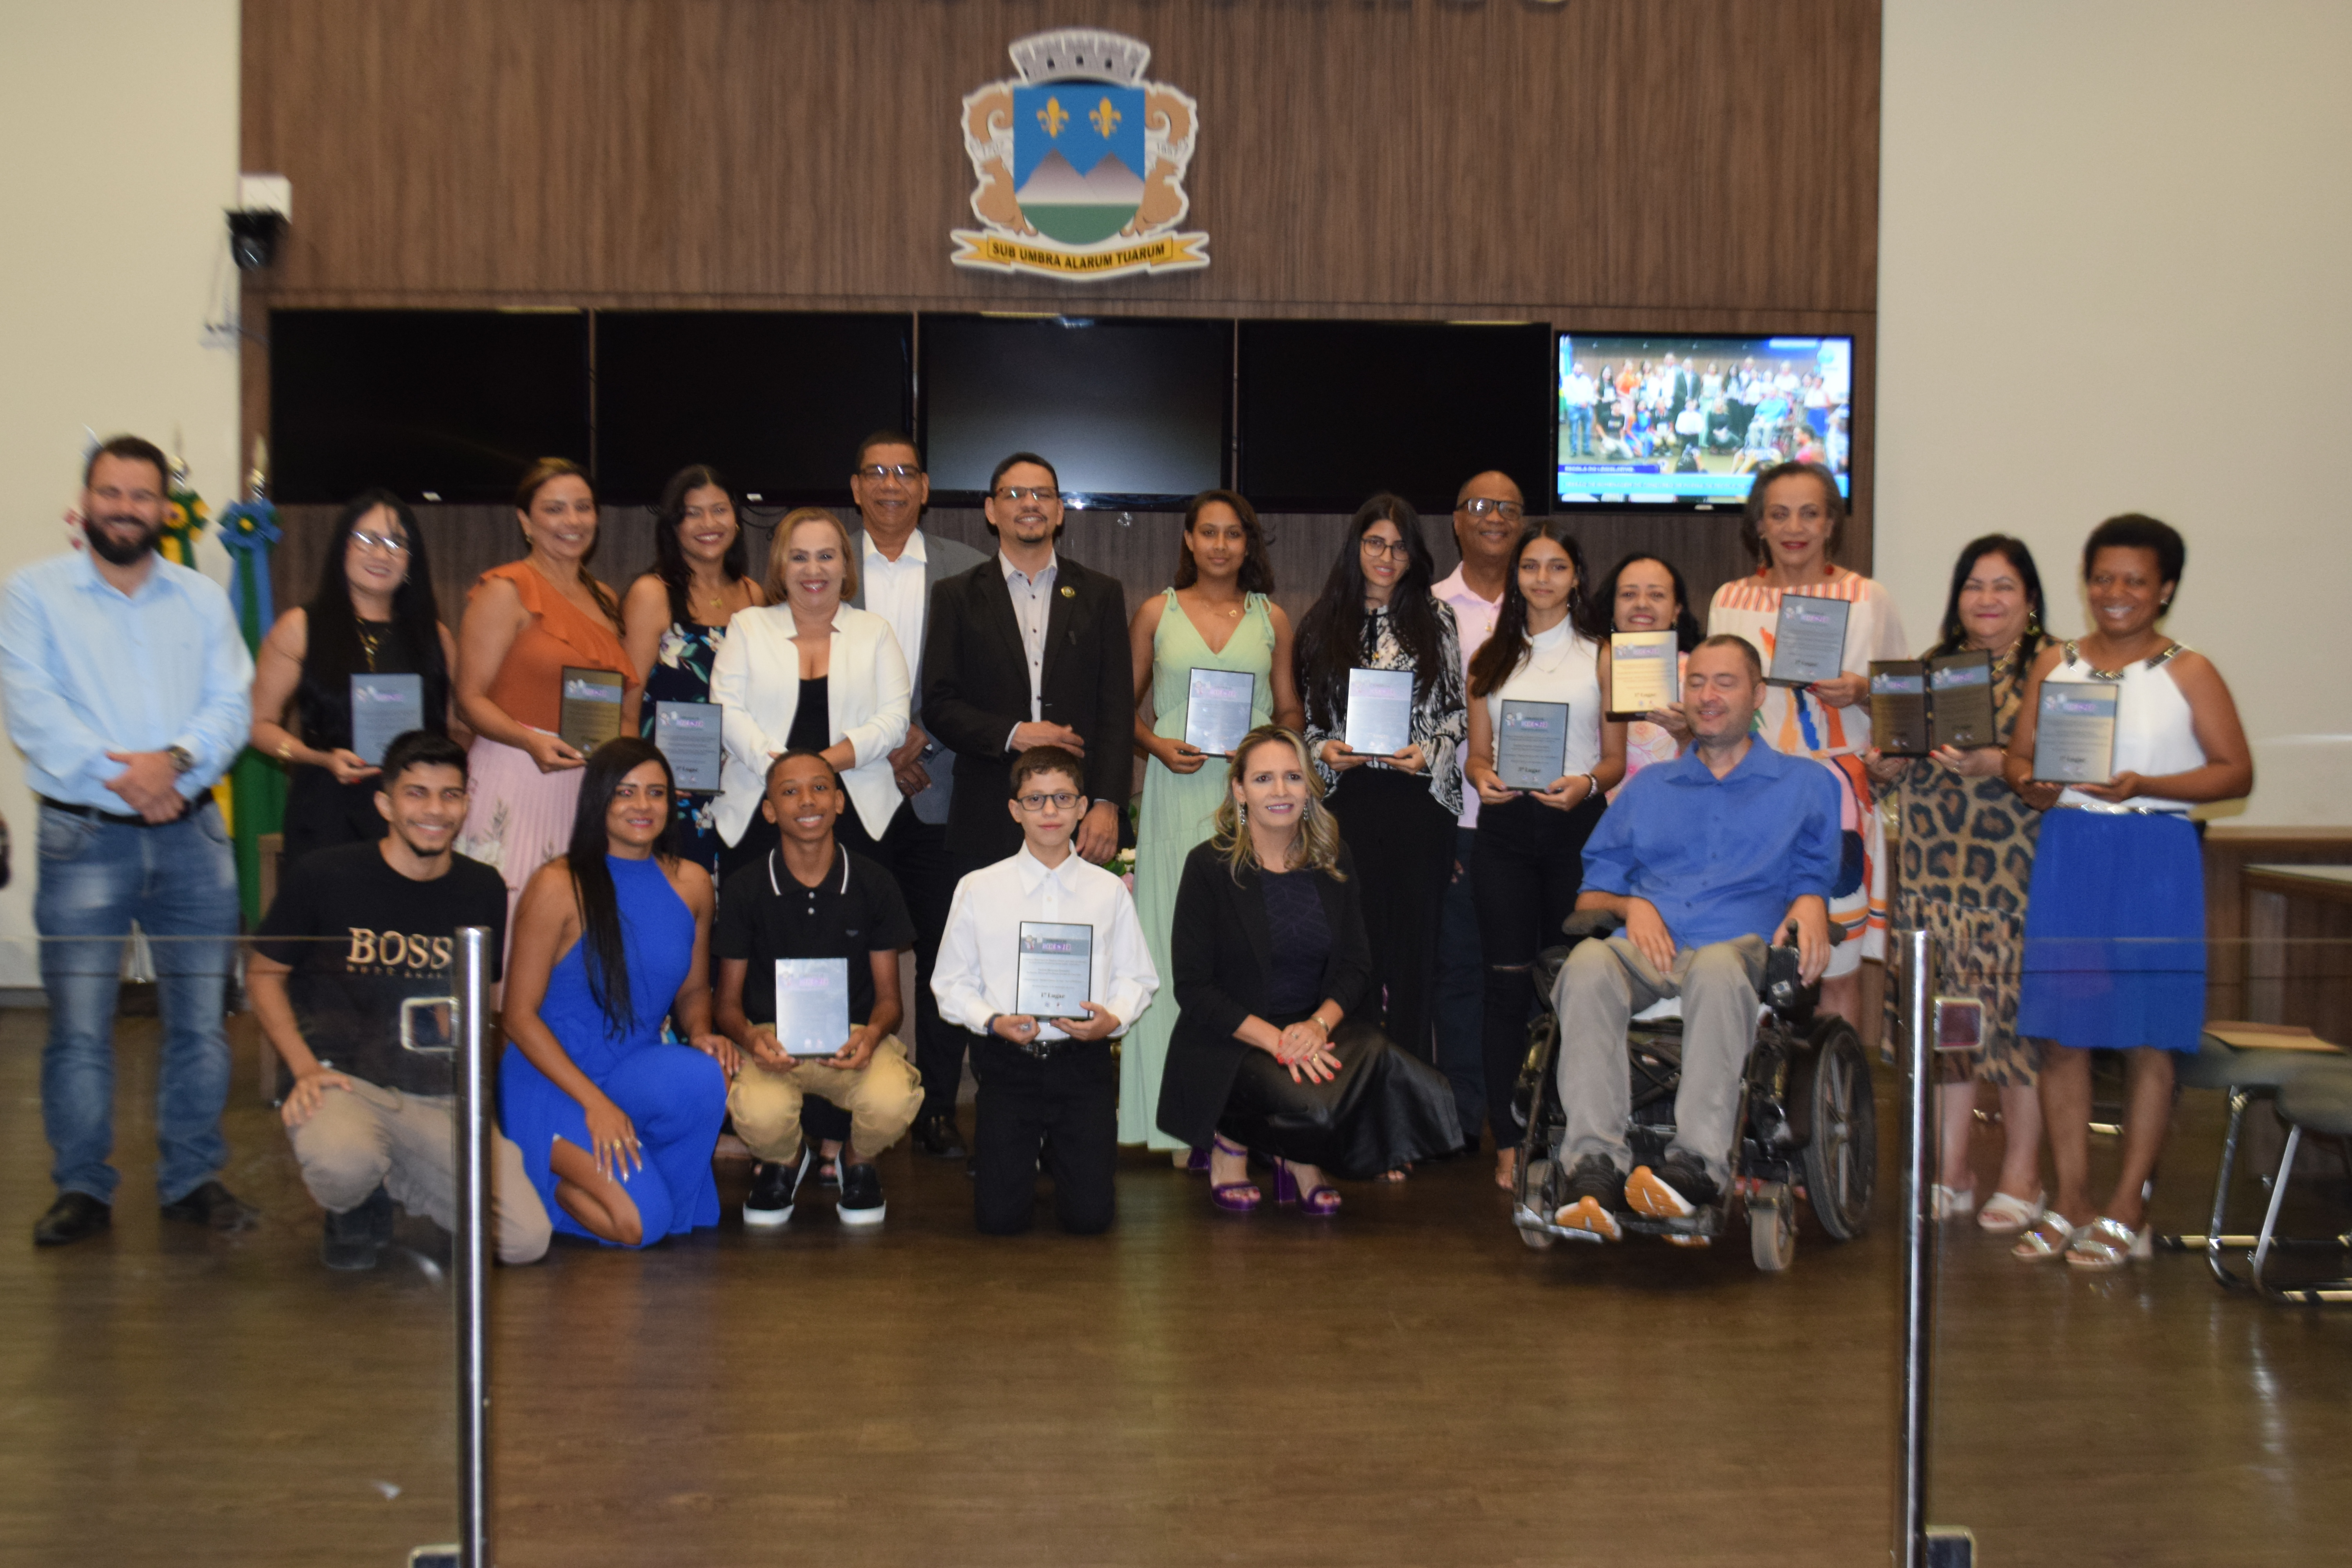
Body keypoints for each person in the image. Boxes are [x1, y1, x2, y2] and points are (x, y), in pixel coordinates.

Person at [0, 435, 257, 1246]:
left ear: (164, 508)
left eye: (142, 496)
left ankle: (191, 1177)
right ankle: (83, 1186)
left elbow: (231, 706)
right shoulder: (32, 595)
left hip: (193, 839)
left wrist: (174, 765)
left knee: (201, 1024)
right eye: (111, 493)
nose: (125, 508)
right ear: (86, 503)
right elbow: (35, 713)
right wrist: (135, 779)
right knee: (79, 1027)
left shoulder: (200, 598)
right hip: (85, 839)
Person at [2002, 515, 2252, 1270]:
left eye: (2135, 580)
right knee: (2063, 1035)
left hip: (2156, 854)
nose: (2116, 594)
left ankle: (2127, 1207)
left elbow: (2234, 773)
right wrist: (2035, 785)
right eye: (2104, 577)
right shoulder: (2056, 664)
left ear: (2165, 588)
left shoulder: (2188, 671)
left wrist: (2147, 785)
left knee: (2151, 1037)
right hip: (2072, 850)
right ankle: (2070, 1200)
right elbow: (2020, 760)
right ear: (2087, 582)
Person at [1546, 635, 1839, 1240]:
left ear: (1757, 694)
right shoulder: (1649, 790)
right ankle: (1594, 1166)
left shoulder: (1806, 785)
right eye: (1698, 683)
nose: (1708, 696)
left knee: (1714, 966)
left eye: (1725, 683)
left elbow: (1817, 876)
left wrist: (1810, 899)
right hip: (1650, 950)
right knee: (1587, 964)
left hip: (1740, 952)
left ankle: (1698, 1165)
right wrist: (1634, 904)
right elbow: (1589, 897)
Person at [247, 731, 550, 1268]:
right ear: (385, 803)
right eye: (416, 794)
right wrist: (303, 1068)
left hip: (439, 1098)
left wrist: (485, 1113)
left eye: (450, 795)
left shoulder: (483, 889)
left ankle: (393, 1174)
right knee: (341, 1162)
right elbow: (264, 973)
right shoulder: (325, 875)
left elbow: (481, 1007)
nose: (434, 810)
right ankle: (357, 1196)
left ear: (466, 804)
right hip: (346, 1084)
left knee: (526, 1241)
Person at [1157, 727, 1463, 1215]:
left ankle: (1294, 1152)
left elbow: (1357, 965)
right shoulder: (1208, 867)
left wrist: (1317, 1026)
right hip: (1236, 1042)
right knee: (1313, 1105)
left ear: (1309, 786)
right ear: (1239, 789)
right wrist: (1279, 1041)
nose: (1280, 791)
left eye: (1293, 777)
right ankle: (1231, 1142)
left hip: (1315, 1030)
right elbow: (1193, 988)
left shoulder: (1333, 859)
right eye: (1263, 779)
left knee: (1402, 1073)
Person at [1861, 535, 2053, 1230]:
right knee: (1949, 1030)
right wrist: (1885, 769)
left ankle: (2023, 1176)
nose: (1988, 600)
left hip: (2014, 879)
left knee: (2013, 1035)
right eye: (1975, 585)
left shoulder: (2050, 668)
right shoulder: (1930, 670)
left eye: (2004, 586)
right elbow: (1903, 764)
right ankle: (1953, 1171)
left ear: (2030, 598)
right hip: (1933, 878)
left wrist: (1997, 763)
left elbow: (2056, 775)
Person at [1121, 489, 1302, 1161]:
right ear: (1190, 541)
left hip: (1246, 806)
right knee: (1175, 957)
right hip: (1174, 797)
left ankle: (1243, 1122)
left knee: (1245, 959)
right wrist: (1157, 746)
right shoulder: (1155, 613)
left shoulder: (1272, 618)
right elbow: (1123, 708)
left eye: (1234, 535)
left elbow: (1289, 711)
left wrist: (1264, 751)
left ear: (1247, 545)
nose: (1222, 546)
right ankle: (1178, 1127)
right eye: (1209, 534)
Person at [497, 739, 733, 1248]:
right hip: (554, 1079)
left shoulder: (692, 884)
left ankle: (622, 1174)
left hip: (634, 1066)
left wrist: (701, 1032)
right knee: (639, 1225)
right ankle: (550, 1184)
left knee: (703, 1075)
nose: (642, 806)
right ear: (597, 800)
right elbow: (518, 1017)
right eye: (625, 793)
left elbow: (694, 990)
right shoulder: (558, 885)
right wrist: (594, 1105)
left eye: (656, 793)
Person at [1705, 460, 1908, 1032]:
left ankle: (1829, 1113)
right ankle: (1759, 1108)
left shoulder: (1869, 598)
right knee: (1750, 953)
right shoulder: (1730, 601)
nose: (1795, 527)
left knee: (1835, 966)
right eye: (1779, 514)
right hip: (1750, 797)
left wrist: (1865, 694)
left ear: (1830, 524)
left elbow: (1905, 706)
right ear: (1760, 526)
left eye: (1810, 513)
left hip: (1835, 798)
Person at [932, 746, 1157, 1236]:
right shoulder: (979, 888)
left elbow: (1138, 978)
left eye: (1062, 797)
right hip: (1008, 1065)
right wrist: (992, 1020)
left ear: (1083, 806)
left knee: (1091, 1219)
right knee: (999, 1220)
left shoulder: (1108, 890)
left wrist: (1112, 1019)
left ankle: (1066, 1157)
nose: (1050, 811)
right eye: (1035, 800)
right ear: (1015, 810)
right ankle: (1023, 1159)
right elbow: (950, 983)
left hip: (1083, 1065)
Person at [1463, 521, 1628, 1189]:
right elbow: (1478, 753)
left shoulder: (1604, 656)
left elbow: (1615, 761)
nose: (1541, 579)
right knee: (1504, 988)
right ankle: (1507, 1139)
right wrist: (1481, 775)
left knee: (1577, 985)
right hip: (1503, 831)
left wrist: (1586, 783)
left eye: (1555, 567)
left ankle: (1567, 1133)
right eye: (1530, 567)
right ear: (1516, 577)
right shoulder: (1489, 661)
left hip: (1578, 828)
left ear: (1576, 577)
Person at [840, 432, 987, 1161]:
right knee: (847, 946)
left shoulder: (969, 570)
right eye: (876, 473)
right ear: (856, 486)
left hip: (939, 785)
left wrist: (919, 741)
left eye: (905, 473)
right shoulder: (821, 561)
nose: (891, 485)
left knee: (941, 954)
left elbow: (978, 682)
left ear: (925, 488)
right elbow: (806, 672)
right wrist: (875, 748)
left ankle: (933, 1104)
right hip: (848, 790)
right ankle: (846, 1101)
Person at [1295, 494, 1466, 1085]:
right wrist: (1324, 751)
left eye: (1399, 546)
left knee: (1414, 961)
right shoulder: (1322, 622)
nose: (1387, 556)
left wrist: (1430, 752)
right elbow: (1310, 723)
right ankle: (1354, 1101)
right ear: (1356, 548)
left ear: (1414, 554)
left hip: (1417, 804)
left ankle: (1411, 1110)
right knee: (1353, 958)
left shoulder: (1436, 618)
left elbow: (1456, 716)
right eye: (1376, 543)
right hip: (1348, 805)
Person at [713, 751, 921, 1228]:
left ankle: (857, 1159)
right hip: (772, 1043)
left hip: (853, 1043)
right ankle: (785, 1162)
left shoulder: (875, 882)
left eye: (820, 788)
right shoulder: (746, 888)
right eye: (789, 791)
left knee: (893, 1100)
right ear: (769, 810)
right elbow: (725, 1005)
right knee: (758, 1112)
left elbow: (890, 1000)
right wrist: (750, 1040)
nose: (807, 801)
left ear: (840, 802)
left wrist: (871, 1036)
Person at [922, 454, 1131, 876]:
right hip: (988, 813)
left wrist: (1107, 803)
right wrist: (1014, 734)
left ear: (1059, 511)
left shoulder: (1101, 594)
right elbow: (940, 704)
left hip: (1082, 814)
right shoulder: (956, 596)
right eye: (1014, 493)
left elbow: (1117, 710)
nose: (1029, 503)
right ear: (991, 509)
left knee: (1079, 938)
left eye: (1043, 494)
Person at [455, 458, 639, 928]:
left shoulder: (605, 598)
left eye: (583, 508)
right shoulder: (505, 589)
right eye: (555, 509)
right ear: (526, 520)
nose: (572, 521)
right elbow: (469, 700)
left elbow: (612, 701)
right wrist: (529, 740)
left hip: (585, 784)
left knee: (572, 925)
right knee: (510, 921)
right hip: (517, 773)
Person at [249, 490, 461, 868]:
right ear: (342, 548)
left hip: (412, 818)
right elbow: (257, 725)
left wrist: (437, 785)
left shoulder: (436, 637)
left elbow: (459, 729)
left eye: (397, 543)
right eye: (367, 539)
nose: (382, 554)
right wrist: (318, 757)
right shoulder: (301, 627)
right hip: (327, 809)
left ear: (411, 560)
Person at [708, 506, 908, 880]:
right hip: (759, 804)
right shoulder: (748, 627)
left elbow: (894, 721)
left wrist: (819, 772)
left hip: (857, 810)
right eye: (799, 558)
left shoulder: (875, 631)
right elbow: (727, 711)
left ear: (846, 565)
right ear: (781, 567)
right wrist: (790, 778)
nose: (813, 570)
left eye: (826, 557)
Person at [1430, 472, 1526, 1153]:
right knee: (1459, 976)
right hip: (1455, 819)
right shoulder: (1429, 606)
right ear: (1457, 522)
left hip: (1537, 826)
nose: (1495, 517)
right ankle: (1465, 1120)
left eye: (1509, 509)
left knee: (1526, 975)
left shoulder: (1549, 605)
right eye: (1481, 507)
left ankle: (1523, 1114)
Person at [620, 463, 765, 875]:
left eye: (719, 510)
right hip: (671, 790)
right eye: (692, 513)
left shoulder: (754, 595)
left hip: (740, 787)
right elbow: (627, 707)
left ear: (736, 519)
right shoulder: (654, 593)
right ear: (674, 526)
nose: (708, 523)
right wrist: (646, 782)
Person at [1595, 551, 1704, 797]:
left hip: (1673, 813)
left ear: (1677, 609)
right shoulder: (1588, 667)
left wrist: (1686, 735)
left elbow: (1723, 766)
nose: (1642, 604)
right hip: (1596, 819)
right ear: (1612, 608)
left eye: (1657, 595)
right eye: (1629, 594)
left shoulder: (1701, 676)